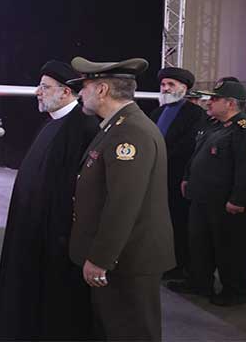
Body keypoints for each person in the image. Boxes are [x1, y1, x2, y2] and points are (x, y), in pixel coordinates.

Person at [67, 56, 175, 340]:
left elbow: (123, 205)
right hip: (122, 257)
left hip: (127, 260)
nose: (80, 94)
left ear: (102, 90)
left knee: (131, 332)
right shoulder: (117, 126)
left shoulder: (130, 132)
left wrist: (100, 258)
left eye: (84, 86)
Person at [0, 61, 99, 341]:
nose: (37, 92)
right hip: (34, 227)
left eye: (45, 87)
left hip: (56, 234)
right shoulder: (52, 123)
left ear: (65, 92)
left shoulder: (83, 126)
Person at [168, 80, 246, 306]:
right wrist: (187, 177)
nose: (208, 102)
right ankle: (199, 282)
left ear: (231, 103)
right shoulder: (215, 125)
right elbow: (198, 154)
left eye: (215, 99)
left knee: (229, 247)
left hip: (226, 203)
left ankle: (236, 291)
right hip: (203, 198)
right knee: (200, 244)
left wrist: (238, 200)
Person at [149, 67, 207, 280]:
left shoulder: (195, 114)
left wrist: (158, 158)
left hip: (177, 178)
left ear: (184, 88)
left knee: (178, 222)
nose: (165, 88)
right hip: (156, 178)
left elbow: (188, 146)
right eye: (163, 84)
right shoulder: (157, 112)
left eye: (170, 84)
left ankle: (179, 264)